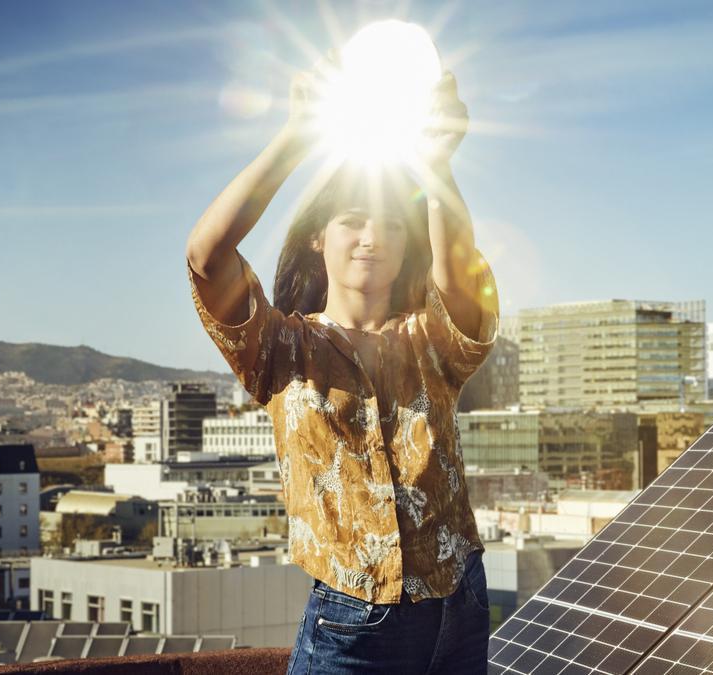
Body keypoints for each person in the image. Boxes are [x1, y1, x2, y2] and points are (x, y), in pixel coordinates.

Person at [185, 51, 497, 674]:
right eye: (352, 221)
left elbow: (462, 274)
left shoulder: (430, 340)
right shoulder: (280, 348)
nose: (372, 237)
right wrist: (295, 138)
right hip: (353, 626)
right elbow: (207, 253)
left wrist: (437, 169)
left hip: (462, 607)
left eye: (390, 225)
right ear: (317, 236)